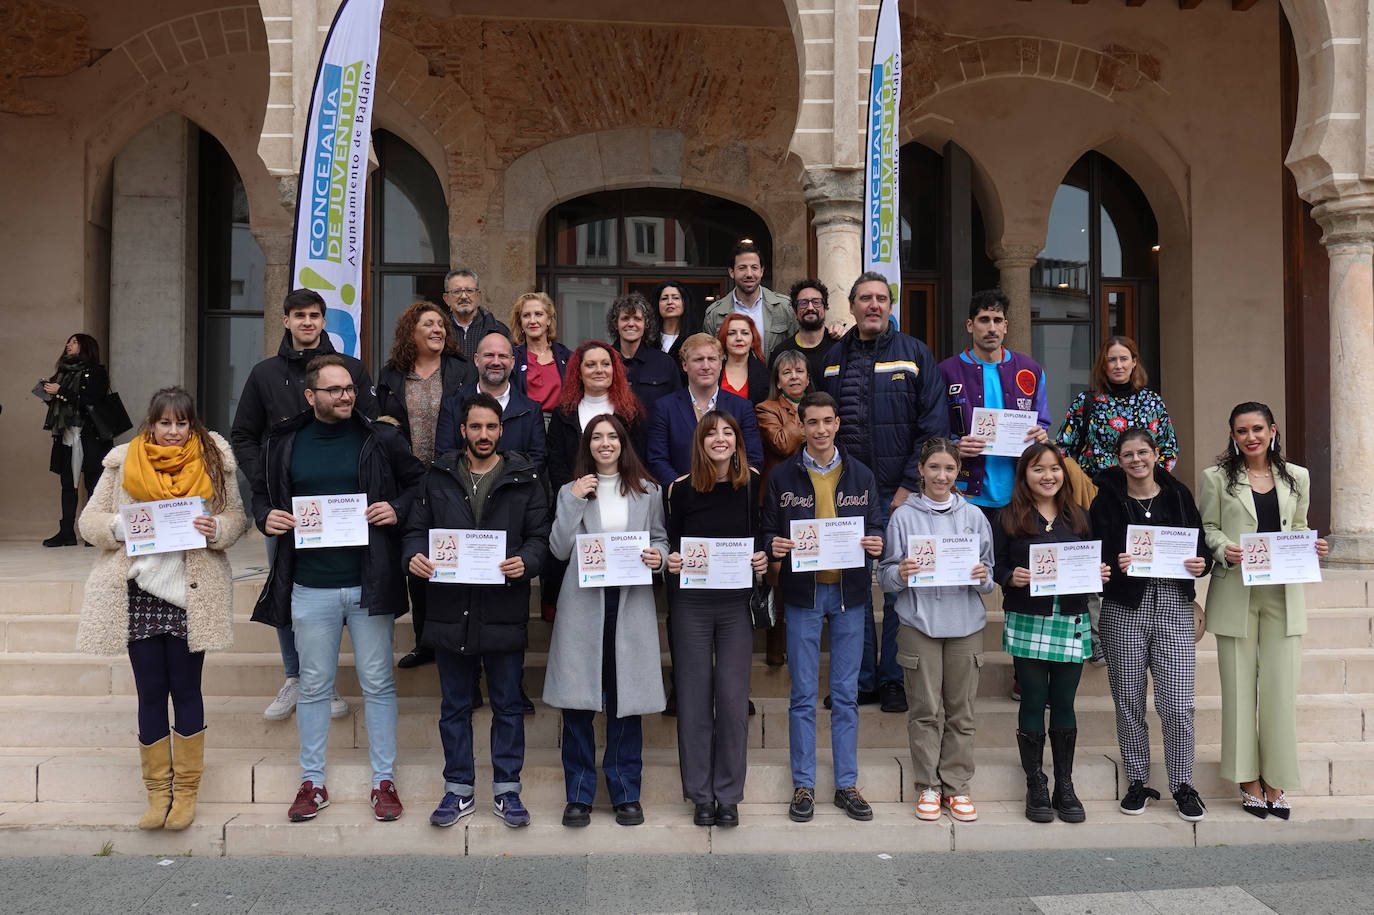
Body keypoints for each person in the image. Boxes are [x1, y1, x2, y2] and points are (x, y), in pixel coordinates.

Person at [250, 355, 426, 823]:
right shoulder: (284, 440)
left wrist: (397, 508)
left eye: (349, 388)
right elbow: (262, 494)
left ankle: (383, 781)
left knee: (379, 683)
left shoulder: (380, 437)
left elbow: (420, 484)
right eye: (334, 390)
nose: (346, 396)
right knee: (312, 687)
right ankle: (312, 782)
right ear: (311, 396)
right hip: (311, 585)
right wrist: (264, 515)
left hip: (369, 583)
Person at [75, 387, 249, 831]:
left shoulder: (214, 461)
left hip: (192, 592)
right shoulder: (121, 463)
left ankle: (186, 792)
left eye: (182, 423)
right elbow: (89, 524)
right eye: (165, 423)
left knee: (187, 690)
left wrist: (217, 528)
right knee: (151, 691)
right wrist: (121, 525)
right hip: (139, 593)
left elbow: (236, 520)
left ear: (193, 425)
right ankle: (158, 793)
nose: (173, 432)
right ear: (150, 425)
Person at [403, 393, 550, 829]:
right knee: (454, 706)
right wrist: (415, 555)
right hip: (450, 609)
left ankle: (508, 791)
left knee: (507, 705)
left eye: (490, 427)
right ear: (462, 430)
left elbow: (539, 537)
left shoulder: (525, 479)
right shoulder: (437, 478)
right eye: (475, 427)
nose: (483, 435)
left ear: (501, 430)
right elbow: (414, 530)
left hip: (503, 607)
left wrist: (528, 561)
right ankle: (459, 790)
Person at [232, 288, 374, 722]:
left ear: (324, 320)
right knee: (288, 590)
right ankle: (297, 676)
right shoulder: (265, 374)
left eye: (314, 315)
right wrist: (266, 483)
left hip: (345, 509)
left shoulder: (350, 370)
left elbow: (373, 430)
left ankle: (324, 679)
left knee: (342, 594)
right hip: (289, 509)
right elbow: (244, 435)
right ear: (286, 320)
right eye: (299, 315)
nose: (307, 322)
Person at [823, 272, 950, 714]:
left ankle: (895, 679)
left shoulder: (914, 354)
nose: (873, 305)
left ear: (890, 306)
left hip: (901, 496)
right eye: (864, 299)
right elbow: (823, 425)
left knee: (899, 588)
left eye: (881, 298)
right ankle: (862, 681)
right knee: (853, 589)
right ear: (853, 306)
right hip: (847, 495)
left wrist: (909, 487)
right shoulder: (833, 357)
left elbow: (933, 427)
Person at [1200, 402, 1328, 820]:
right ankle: (1246, 779)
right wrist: (1223, 548)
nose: (1250, 437)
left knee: (1279, 692)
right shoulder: (1216, 478)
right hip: (1236, 591)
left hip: (1283, 595)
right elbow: (1209, 528)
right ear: (1233, 435)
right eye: (1241, 430)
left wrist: (1312, 546)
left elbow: (1298, 528)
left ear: (1272, 430)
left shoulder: (1299, 478)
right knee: (1238, 692)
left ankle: (1276, 778)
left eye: (1257, 428)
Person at [762, 392, 883, 823]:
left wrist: (876, 542)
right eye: (811, 422)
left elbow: (877, 526)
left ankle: (846, 783)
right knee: (802, 695)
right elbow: (768, 531)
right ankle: (804, 785)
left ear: (836, 424)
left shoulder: (861, 475)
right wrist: (773, 546)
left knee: (847, 694)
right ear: (802, 425)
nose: (819, 430)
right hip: (802, 594)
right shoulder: (783, 476)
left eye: (827, 421)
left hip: (849, 595)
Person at [544, 414, 668, 827]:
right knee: (579, 703)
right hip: (584, 604)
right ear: (587, 446)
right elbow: (559, 550)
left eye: (612, 436)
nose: (605, 443)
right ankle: (578, 795)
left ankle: (625, 793)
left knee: (624, 701)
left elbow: (660, 540)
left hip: (629, 602)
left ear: (623, 443)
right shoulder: (570, 490)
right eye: (596, 437)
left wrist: (659, 558)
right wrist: (576, 498)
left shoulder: (648, 490)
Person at [1091, 427, 1211, 822]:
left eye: (1143, 452)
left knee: (1177, 704)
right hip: (1125, 607)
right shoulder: (1106, 501)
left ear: (1156, 454)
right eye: (1128, 454)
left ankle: (1182, 784)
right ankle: (1137, 781)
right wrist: (1114, 564)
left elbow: (1199, 549)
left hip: (1174, 604)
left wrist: (1202, 564)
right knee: (1128, 701)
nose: (1137, 460)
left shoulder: (1178, 495)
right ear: (1119, 460)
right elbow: (1097, 555)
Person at [994, 443, 1111, 825]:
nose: (1048, 476)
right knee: (1032, 700)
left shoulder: (1079, 516)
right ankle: (1035, 782)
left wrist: (1100, 574)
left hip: (1071, 616)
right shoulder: (1009, 516)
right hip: (1027, 617)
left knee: (1063, 701)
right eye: (1038, 469)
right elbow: (996, 565)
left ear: (1064, 473)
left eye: (1054, 469)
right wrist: (1011, 576)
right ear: (1024, 475)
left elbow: (1095, 561)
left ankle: (1064, 784)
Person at [880, 439, 995, 824]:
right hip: (919, 623)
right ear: (921, 471)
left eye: (949, 468)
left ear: (957, 471)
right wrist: (901, 572)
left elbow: (989, 578)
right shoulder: (903, 517)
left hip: (965, 625)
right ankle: (928, 785)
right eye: (934, 468)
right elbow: (885, 576)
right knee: (925, 709)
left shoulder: (975, 517)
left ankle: (957, 787)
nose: (941, 476)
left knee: (961, 711)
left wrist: (982, 577)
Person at [664, 411, 768, 828]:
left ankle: (728, 795)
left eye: (728, 432)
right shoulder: (680, 490)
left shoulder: (752, 485)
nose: (720, 439)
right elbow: (670, 541)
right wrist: (671, 558)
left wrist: (761, 557)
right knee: (692, 701)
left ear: (737, 442)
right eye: (712, 433)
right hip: (691, 604)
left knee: (730, 699)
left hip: (735, 605)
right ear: (700, 442)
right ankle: (699, 795)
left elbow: (761, 533)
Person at [375, 301, 477, 670]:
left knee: (456, 557)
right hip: (408, 481)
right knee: (419, 562)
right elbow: (381, 427)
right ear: (410, 332)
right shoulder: (391, 375)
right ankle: (426, 642)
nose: (437, 329)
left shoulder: (462, 370)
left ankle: (464, 640)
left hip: (454, 477)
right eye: (428, 324)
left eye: (440, 324)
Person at [940, 289, 1051, 518]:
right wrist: (953, 448)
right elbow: (934, 430)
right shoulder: (946, 372)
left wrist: (1041, 435)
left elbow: (1042, 420)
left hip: (1021, 492)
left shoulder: (1030, 369)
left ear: (1006, 326)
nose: (991, 328)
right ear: (970, 326)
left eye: (997, 320)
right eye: (984, 320)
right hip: (965, 493)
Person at [647, 333, 764, 487]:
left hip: (731, 499)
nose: (706, 366)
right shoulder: (664, 408)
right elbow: (657, 460)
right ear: (684, 365)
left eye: (712, 359)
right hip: (683, 503)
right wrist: (682, 489)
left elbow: (753, 458)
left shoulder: (742, 407)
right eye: (698, 360)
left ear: (721, 363)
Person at [754, 350, 810, 666]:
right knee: (776, 570)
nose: (793, 376)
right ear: (777, 380)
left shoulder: (821, 404)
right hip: (777, 498)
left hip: (813, 496)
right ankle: (775, 643)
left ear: (808, 376)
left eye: (799, 371)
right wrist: (811, 421)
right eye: (786, 372)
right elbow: (783, 443)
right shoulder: (766, 408)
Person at [1056, 335, 1179, 477]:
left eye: (1124, 359)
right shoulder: (1086, 401)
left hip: (1144, 490)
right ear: (1103, 365)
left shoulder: (1152, 401)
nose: (1118, 365)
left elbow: (1169, 448)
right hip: (1098, 492)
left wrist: (1151, 480)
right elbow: (1063, 448)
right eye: (1112, 360)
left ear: (1134, 362)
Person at [40, 333, 113, 547]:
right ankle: (66, 532)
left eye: (74, 342)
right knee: (68, 484)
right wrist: (50, 395)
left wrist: (61, 391)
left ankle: (92, 532)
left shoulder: (96, 372)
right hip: (67, 433)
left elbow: (92, 400)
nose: (68, 345)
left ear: (85, 347)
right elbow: (61, 405)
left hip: (90, 434)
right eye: (68, 342)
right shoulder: (63, 372)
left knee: (93, 483)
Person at [436, 332, 547, 468]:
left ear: (512, 363)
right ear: (476, 360)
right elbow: (445, 458)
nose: (496, 362)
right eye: (489, 355)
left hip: (516, 488)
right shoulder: (453, 406)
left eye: (502, 356)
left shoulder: (531, 411)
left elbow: (537, 462)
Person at [547, 341, 647, 492]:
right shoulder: (563, 413)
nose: (599, 370)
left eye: (605, 364)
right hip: (576, 500)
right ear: (579, 373)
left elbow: (638, 459)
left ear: (614, 370)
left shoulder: (630, 412)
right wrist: (573, 495)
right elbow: (556, 464)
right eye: (590, 365)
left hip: (622, 495)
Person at [701, 240, 798, 357]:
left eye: (754, 267)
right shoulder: (715, 314)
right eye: (742, 268)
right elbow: (710, 357)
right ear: (732, 272)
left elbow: (798, 348)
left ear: (762, 271)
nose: (749, 274)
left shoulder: (784, 307)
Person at [608, 291, 681, 414]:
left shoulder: (664, 363)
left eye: (637, 319)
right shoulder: (604, 361)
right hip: (613, 432)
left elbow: (676, 408)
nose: (631, 324)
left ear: (646, 324)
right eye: (625, 318)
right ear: (616, 324)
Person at [509, 292, 571, 425]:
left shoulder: (566, 356)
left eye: (538, 314)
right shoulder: (512, 358)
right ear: (520, 322)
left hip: (560, 426)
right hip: (523, 425)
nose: (532, 321)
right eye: (526, 315)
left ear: (548, 320)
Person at [768, 278, 834, 385]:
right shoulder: (781, 352)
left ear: (825, 308)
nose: (810, 307)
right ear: (795, 311)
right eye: (803, 303)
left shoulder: (839, 346)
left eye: (816, 302)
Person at [442, 268, 511, 359]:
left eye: (469, 291)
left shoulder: (498, 330)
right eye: (457, 291)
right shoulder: (439, 331)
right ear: (446, 298)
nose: (463, 296)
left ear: (478, 296)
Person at [717, 313, 770, 406]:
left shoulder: (764, 373)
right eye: (732, 333)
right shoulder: (713, 369)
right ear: (724, 339)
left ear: (753, 339)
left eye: (745, 333)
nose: (739, 338)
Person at [650, 280, 699, 372]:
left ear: (684, 303)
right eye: (664, 298)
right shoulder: (648, 339)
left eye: (675, 298)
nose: (670, 302)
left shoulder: (695, 339)